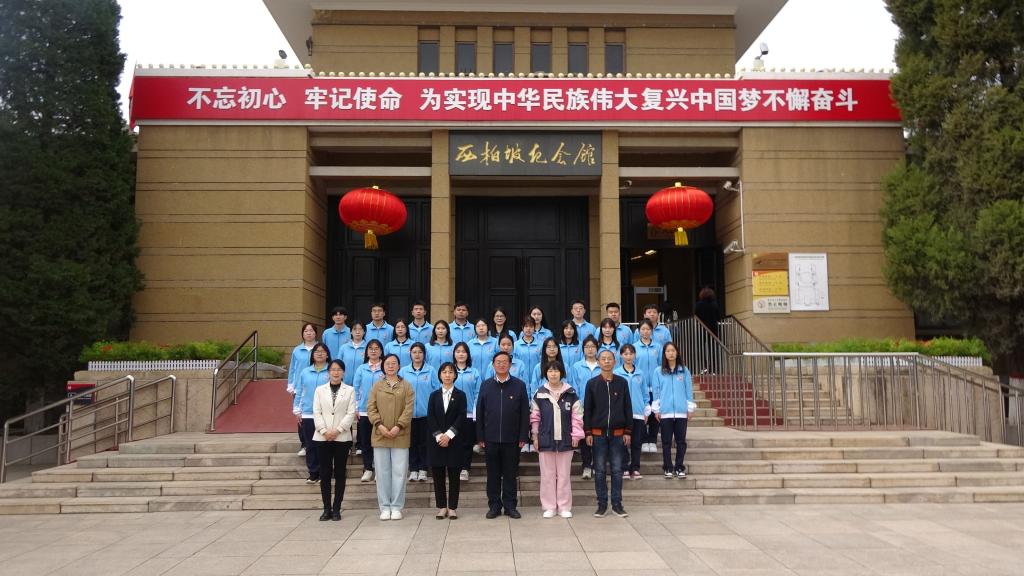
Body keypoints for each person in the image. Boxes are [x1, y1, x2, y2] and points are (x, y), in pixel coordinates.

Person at [476, 352, 529, 519]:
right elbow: (480, 411)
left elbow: (524, 413)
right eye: (498, 362)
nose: (501, 364)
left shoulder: (519, 385)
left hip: (512, 439)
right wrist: (480, 436)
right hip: (490, 439)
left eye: (505, 362)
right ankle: (494, 506)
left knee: (510, 474)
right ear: (493, 365)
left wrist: (523, 436)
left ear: (510, 364)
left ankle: (510, 506)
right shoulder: (486, 385)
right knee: (492, 475)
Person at [530, 360, 583, 519]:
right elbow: (535, 417)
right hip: (545, 440)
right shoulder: (540, 393)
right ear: (545, 374)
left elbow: (577, 416)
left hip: (566, 440)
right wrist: (535, 436)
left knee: (564, 475)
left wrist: (576, 435)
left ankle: (564, 506)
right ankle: (549, 507)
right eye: (550, 371)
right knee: (547, 476)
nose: (553, 374)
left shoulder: (571, 393)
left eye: (556, 371)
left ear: (562, 373)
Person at [584, 349, 632, 518]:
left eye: (609, 359)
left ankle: (617, 504)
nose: (606, 361)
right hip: (598, 434)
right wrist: (588, 432)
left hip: (618, 434)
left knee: (617, 470)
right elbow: (588, 410)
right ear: (598, 362)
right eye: (603, 359)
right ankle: (602, 504)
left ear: (615, 362)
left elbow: (627, 407)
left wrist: (628, 431)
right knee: (599, 470)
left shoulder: (622, 383)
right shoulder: (592, 384)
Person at [367, 354, 414, 520]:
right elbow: (371, 408)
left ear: (399, 366)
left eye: (394, 363)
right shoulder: (377, 386)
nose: (391, 366)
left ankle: (396, 506)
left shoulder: (407, 386)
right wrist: (379, 425)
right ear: (383, 366)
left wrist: (398, 426)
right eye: (388, 363)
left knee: (400, 472)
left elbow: (409, 410)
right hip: (380, 435)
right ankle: (385, 507)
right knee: (382, 472)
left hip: (400, 435)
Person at [313, 359, 356, 521]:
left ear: (343, 372)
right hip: (322, 437)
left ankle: (337, 508)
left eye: (339, 370)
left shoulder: (350, 390)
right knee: (324, 473)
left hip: (341, 437)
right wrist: (324, 431)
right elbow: (316, 412)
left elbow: (351, 413)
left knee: (340, 473)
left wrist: (337, 430)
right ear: (328, 372)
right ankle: (326, 509)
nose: (336, 372)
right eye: (333, 369)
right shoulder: (319, 390)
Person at [428, 362, 468, 519]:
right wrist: (440, 436)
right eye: (444, 372)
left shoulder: (461, 395)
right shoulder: (434, 395)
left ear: (455, 375)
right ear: (440, 375)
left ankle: (452, 507)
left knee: (454, 476)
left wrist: (449, 435)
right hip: (437, 442)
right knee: (438, 475)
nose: (447, 375)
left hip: (454, 441)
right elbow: (431, 417)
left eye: (450, 372)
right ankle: (441, 507)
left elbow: (461, 416)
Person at [652, 342, 695, 479]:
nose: (671, 353)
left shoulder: (684, 370)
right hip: (665, 412)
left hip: (681, 412)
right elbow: (656, 391)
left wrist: (690, 408)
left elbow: (688, 390)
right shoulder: (658, 371)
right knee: (666, 442)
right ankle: (668, 468)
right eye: (668, 351)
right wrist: (656, 409)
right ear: (664, 354)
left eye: (673, 350)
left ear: (677, 352)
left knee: (681, 441)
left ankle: (679, 467)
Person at [400, 342, 438, 482]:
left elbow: (436, 391)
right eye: (414, 352)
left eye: (420, 352)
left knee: (425, 443)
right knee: (411, 443)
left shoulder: (431, 370)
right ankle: (413, 469)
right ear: (410, 354)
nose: (417, 355)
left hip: (426, 414)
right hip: (408, 414)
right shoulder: (403, 371)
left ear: (424, 354)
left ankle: (423, 469)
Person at [293, 342, 331, 484]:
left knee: (325, 445)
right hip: (308, 413)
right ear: (312, 355)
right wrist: (297, 409)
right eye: (317, 351)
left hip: (326, 413)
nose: (320, 354)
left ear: (327, 354)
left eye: (322, 351)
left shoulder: (332, 370)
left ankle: (324, 473)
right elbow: (299, 391)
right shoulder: (305, 372)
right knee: (310, 445)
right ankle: (313, 473)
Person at [569, 336, 601, 479]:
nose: (590, 349)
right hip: (582, 407)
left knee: (599, 437)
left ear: (597, 349)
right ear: (583, 349)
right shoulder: (577, 366)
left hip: (600, 407)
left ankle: (598, 465)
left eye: (593, 347)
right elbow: (573, 386)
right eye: (587, 347)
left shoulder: (602, 364)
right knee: (584, 437)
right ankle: (587, 465)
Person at [353, 339, 384, 482]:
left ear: (381, 351)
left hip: (382, 412)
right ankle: (367, 468)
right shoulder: (361, 368)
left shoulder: (385, 367)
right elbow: (356, 388)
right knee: (365, 442)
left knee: (380, 442)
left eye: (376, 348)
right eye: (370, 348)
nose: (373, 351)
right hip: (364, 411)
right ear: (366, 352)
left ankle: (379, 470)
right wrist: (356, 407)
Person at [615, 344, 648, 480]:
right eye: (625, 354)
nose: (628, 356)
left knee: (636, 442)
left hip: (638, 413)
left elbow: (645, 394)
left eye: (631, 353)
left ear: (635, 355)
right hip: (622, 414)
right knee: (622, 442)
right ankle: (624, 468)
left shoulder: (640, 373)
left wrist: (646, 410)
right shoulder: (617, 373)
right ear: (621, 356)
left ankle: (635, 468)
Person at [452, 342, 482, 480]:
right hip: (452, 414)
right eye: (458, 351)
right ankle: (455, 468)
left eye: (463, 351)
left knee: (467, 443)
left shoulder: (474, 372)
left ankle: (465, 468)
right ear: (454, 354)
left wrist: (475, 411)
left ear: (468, 354)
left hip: (469, 413)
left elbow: (478, 393)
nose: (461, 354)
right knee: (454, 442)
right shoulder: (450, 371)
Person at [288, 323, 318, 456]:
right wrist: (291, 385)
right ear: (302, 334)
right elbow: (292, 369)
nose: (309, 333)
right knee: (301, 416)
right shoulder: (297, 350)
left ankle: (317, 442)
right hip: (300, 388)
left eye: (311, 330)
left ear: (315, 333)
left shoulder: (320, 348)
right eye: (306, 331)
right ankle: (304, 444)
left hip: (317, 386)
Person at [634, 319, 663, 454]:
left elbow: (661, 366)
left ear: (652, 331)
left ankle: (652, 440)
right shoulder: (634, 347)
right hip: (640, 387)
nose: (645, 332)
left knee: (654, 414)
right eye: (643, 329)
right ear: (639, 331)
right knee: (642, 414)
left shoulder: (658, 347)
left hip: (655, 387)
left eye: (648, 329)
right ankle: (644, 439)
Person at [339, 322, 367, 386]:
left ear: (364, 332)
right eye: (354, 329)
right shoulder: (343, 347)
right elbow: (338, 365)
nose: (357, 332)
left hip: (362, 384)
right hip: (345, 384)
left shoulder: (368, 348)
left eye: (360, 329)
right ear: (351, 332)